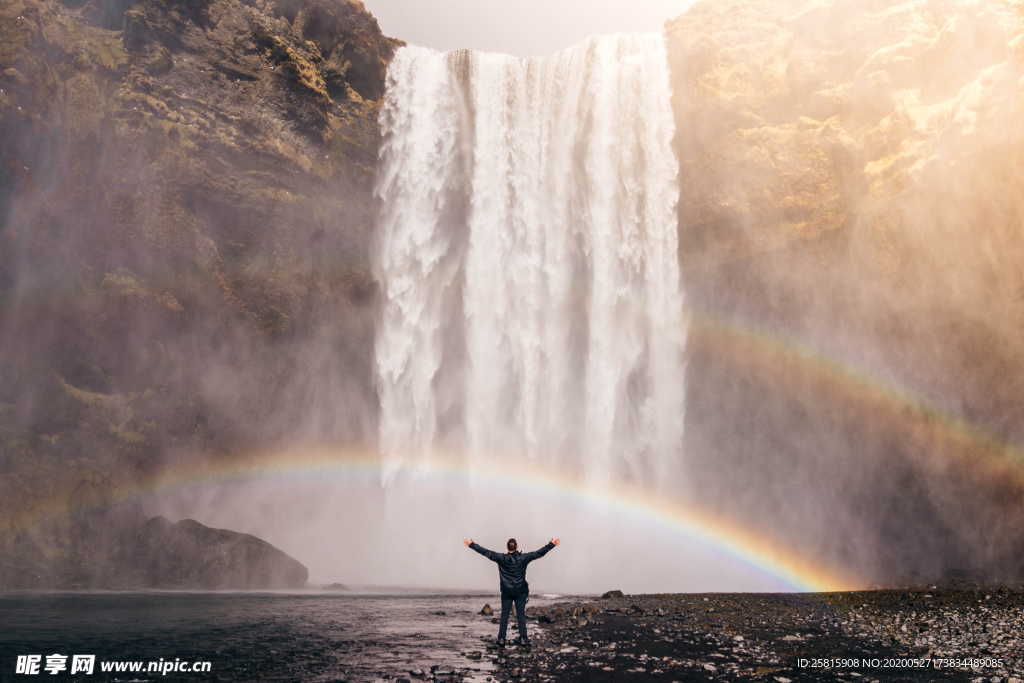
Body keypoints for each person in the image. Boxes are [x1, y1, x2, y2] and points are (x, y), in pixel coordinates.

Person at [464, 536, 559, 648]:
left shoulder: (501, 558)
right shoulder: (523, 558)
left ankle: (501, 640)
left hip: (506, 591)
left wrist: (471, 544)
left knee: (504, 616)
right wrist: (551, 544)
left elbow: (485, 552)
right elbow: (538, 553)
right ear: (517, 547)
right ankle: (523, 639)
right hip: (520, 591)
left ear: (507, 547)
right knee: (521, 616)